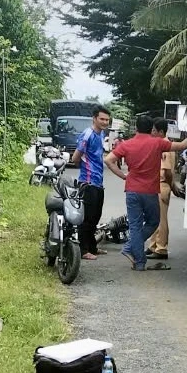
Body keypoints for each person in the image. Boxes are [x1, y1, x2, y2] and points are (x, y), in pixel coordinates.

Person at [105, 116, 187, 271]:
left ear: (136, 128)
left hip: (132, 191)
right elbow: (182, 145)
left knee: (135, 226)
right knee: (153, 222)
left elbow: (109, 160)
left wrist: (123, 176)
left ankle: (136, 257)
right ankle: (135, 256)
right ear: (151, 129)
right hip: (150, 191)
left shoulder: (127, 144)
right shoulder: (157, 142)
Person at [71, 106, 112, 261]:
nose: (105, 122)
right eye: (102, 119)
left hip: (98, 182)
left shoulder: (101, 134)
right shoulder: (87, 134)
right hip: (87, 182)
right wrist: (84, 168)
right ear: (94, 118)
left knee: (96, 216)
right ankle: (83, 250)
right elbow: (76, 157)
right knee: (87, 218)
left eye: (107, 120)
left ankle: (92, 247)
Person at [145, 118, 178, 260]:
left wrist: (171, 185)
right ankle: (153, 245)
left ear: (161, 132)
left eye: (153, 130)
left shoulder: (166, 146)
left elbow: (167, 171)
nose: (151, 132)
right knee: (153, 217)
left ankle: (161, 248)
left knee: (161, 219)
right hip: (155, 185)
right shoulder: (159, 145)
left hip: (162, 184)